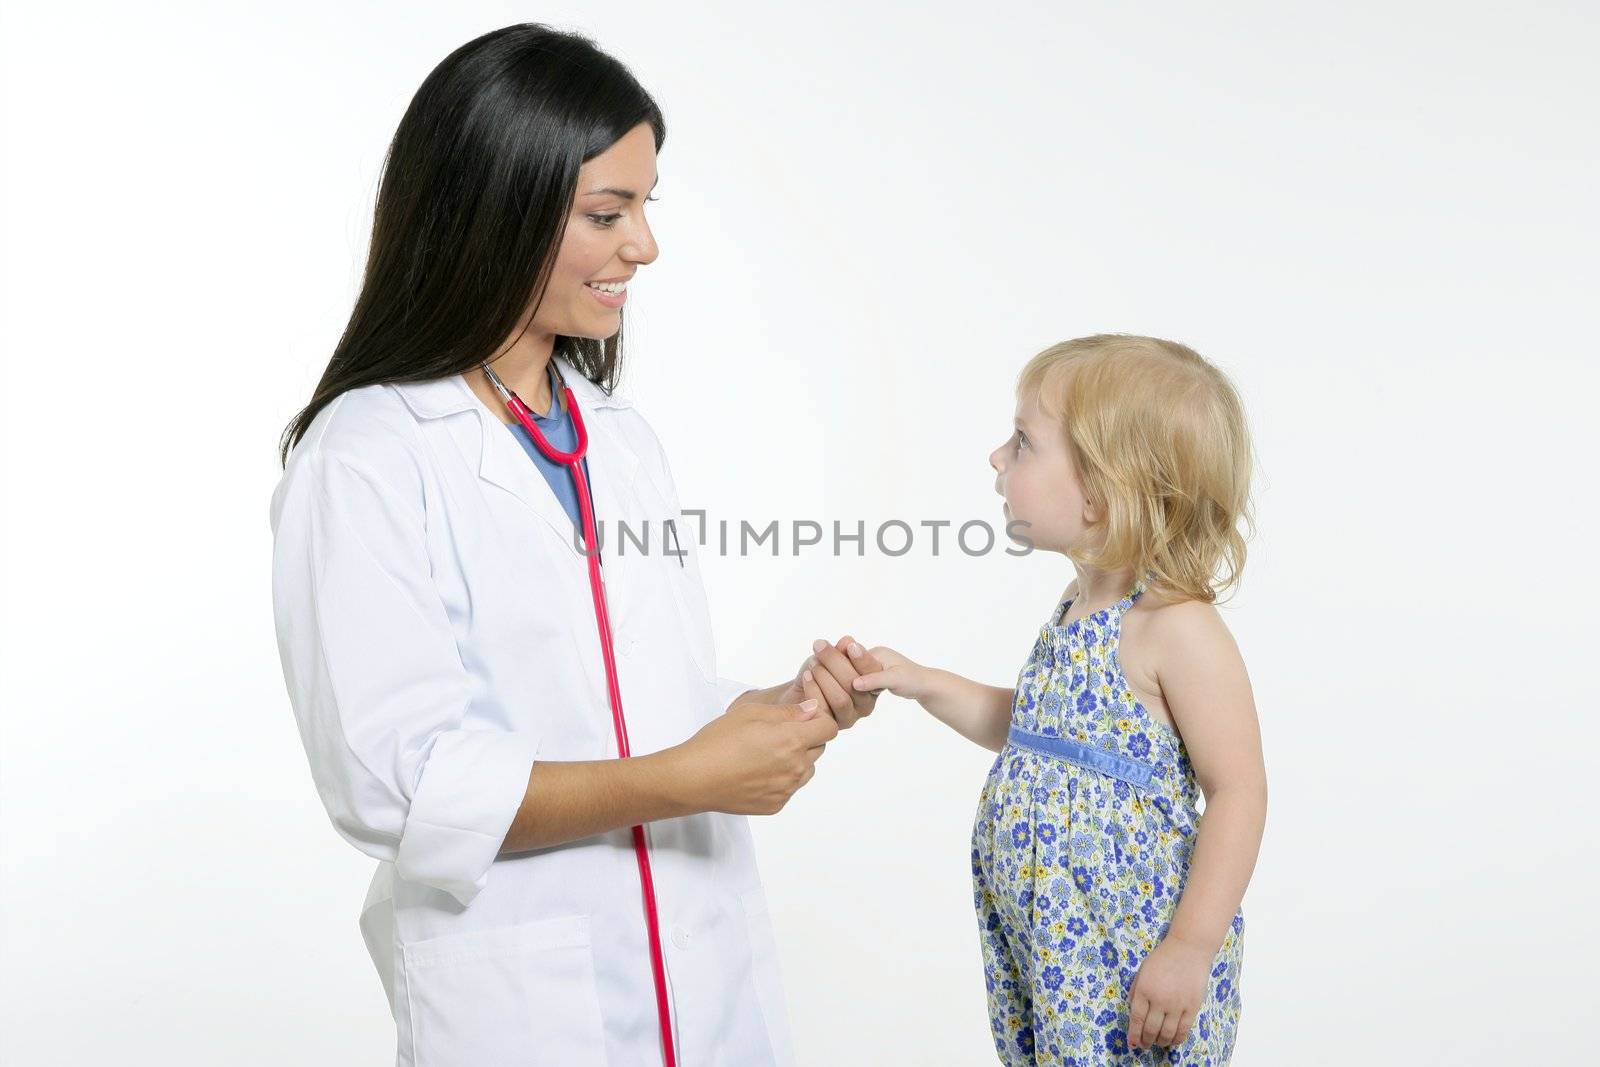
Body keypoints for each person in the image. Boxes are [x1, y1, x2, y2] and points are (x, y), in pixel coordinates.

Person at [268, 24, 878, 1066]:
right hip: (524, 1005)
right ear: (494, 207)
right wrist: (689, 774)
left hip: (706, 976)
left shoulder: (618, 438)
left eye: (645, 205)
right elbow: (399, 786)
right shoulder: (369, 453)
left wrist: (764, 717)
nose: (643, 245)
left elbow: (627, 696)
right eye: (608, 212)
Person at [843, 335, 1268, 1063]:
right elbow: (1039, 731)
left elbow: (1239, 790)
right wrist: (919, 680)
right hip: (1051, 948)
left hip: (1127, 960)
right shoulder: (1077, 605)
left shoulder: (1174, 628)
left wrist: (1190, 946)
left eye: (1023, 442)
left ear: (1105, 491)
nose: (997, 459)